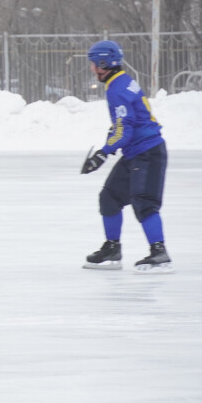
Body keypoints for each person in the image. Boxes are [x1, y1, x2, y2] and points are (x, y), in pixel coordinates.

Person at [81, 40, 172, 273]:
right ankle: (112, 248)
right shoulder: (119, 82)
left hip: (147, 152)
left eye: (94, 64)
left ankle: (159, 252)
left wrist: (103, 154)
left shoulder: (117, 89)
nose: (92, 69)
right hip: (136, 151)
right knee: (110, 196)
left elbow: (125, 128)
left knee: (144, 201)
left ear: (105, 63)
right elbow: (123, 126)